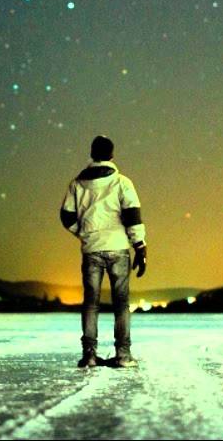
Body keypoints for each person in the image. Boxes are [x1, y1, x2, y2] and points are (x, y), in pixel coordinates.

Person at [59, 135, 147, 369]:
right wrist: (140, 246)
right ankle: (123, 355)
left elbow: (66, 216)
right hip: (118, 248)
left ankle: (89, 355)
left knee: (90, 303)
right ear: (111, 155)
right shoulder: (122, 182)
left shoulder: (77, 184)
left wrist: (84, 233)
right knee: (121, 303)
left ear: (92, 154)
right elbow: (132, 215)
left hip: (91, 250)